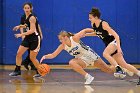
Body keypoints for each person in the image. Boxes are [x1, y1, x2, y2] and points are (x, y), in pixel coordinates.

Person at [83, 7, 140, 85]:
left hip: (115, 41)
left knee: (105, 54)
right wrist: (86, 35)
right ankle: (137, 73)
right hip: (109, 44)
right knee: (124, 64)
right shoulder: (93, 24)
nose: (89, 19)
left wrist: (119, 48)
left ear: (96, 17)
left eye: (90, 18)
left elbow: (116, 35)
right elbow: (98, 33)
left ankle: (118, 68)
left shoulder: (104, 24)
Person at [40, 30, 114, 84]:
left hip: (90, 55)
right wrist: (45, 56)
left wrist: (96, 31)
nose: (60, 41)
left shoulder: (74, 38)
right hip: (81, 59)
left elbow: (85, 30)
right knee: (72, 62)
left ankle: (120, 67)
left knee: (108, 70)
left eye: (60, 39)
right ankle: (88, 77)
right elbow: (53, 55)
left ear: (65, 37)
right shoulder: (62, 46)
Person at [9, 2, 41, 77]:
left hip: (34, 39)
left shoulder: (32, 17)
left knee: (32, 58)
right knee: (18, 53)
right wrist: (19, 26)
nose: (26, 9)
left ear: (31, 8)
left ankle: (39, 71)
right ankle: (17, 70)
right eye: (25, 8)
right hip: (27, 38)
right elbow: (26, 25)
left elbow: (32, 30)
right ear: (23, 9)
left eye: (28, 8)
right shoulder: (24, 17)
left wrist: (21, 34)